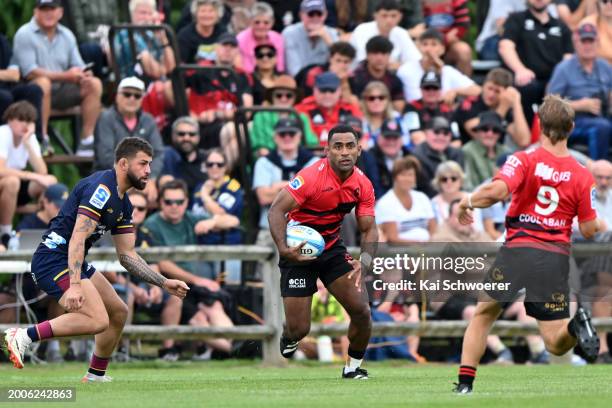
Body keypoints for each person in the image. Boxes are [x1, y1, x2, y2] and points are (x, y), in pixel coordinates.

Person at [2, 137, 189, 382]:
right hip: (52, 260)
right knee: (97, 319)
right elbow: (78, 239)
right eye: (143, 164)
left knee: (118, 312)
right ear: (123, 164)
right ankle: (23, 336)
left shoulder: (123, 203)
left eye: (149, 164)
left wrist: (163, 282)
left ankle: (95, 375)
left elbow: (127, 255)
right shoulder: (101, 190)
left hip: (68, 258)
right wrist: (76, 285)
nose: (148, 171)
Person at [453, 95, 604, 394]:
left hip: (518, 251)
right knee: (555, 343)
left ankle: (465, 385)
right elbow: (588, 230)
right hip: (554, 259)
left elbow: (497, 192)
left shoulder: (524, 159)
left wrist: (467, 201)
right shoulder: (583, 175)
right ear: (571, 127)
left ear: (540, 125)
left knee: (483, 314)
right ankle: (576, 326)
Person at [268, 124, 378, 379]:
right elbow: (275, 210)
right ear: (327, 150)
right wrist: (285, 250)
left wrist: (367, 260)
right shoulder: (311, 178)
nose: (344, 152)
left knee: (362, 312)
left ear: (359, 150)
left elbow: (370, 229)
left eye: (350, 146)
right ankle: (289, 336)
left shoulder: (363, 184)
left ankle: (352, 369)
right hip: (298, 251)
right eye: (337, 146)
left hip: (330, 249)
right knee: (300, 329)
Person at [11, 0, 103, 156]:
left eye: (52, 9)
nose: (48, 13)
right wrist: (66, 76)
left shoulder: (67, 35)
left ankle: (87, 141)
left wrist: (84, 74)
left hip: (62, 92)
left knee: (94, 83)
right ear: (35, 12)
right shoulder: (24, 33)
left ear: (60, 12)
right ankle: (43, 138)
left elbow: (78, 64)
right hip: (30, 95)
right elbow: (29, 72)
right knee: (43, 83)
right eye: (44, 9)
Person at [499, 0, 574, 126]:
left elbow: (568, 59)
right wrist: (520, 69)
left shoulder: (561, 26)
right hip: (525, 79)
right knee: (528, 87)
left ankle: (558, 138)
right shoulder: (516, 19)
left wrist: (557, 80)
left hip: (552, 81)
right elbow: (505, 47)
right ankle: (528, 138)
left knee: (562, 91)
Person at [94, 77, 164, 204]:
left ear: (142, 99)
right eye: (127, 94)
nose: (132, 98)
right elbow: (106, 156)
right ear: (117, 96)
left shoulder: (148, 120)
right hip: (111, 176)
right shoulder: (106, 118)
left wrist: (151, 179)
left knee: (167, 185)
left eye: (137, 96)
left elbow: (158, 153)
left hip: (144, 178)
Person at [547, 22, 612, 160]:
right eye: (584, 41)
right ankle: (598, 173)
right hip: (573, 122)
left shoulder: (605, 67)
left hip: (603, 115)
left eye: (591, 41)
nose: (587, 45)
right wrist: (578, 105)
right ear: (576, 43)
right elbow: (549, 105)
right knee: (602, 127)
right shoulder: (564, 69)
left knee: (603, 124)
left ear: (597, 42)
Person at [252, 118, 319, 239]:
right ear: (275, 137)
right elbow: (263, 197)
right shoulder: (264, 162)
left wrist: (278, 187)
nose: (287, 137)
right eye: (282, 134)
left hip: (308, 228)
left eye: (292, 133)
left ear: (299, 136)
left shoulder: (313, 162)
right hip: (270, 228)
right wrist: (299, 190)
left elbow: (315, 197)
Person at [0, 101, 57, 242]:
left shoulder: (29, 138)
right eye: (20, 120)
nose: (24, 125)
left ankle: (46, 227)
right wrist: (32, 176)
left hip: (18, 186)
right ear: (9, 120)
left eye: (28, 121)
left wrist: (27, 143)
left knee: (51, 181)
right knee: (12, 182)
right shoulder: (3, 133)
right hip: (6, 185)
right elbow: (1, 170)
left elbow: (42, 171)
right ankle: (5, 233)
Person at [397, 28, 480, 104]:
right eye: (425, 44)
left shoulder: (447, 71)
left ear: (442, 49)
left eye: (434, 44)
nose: (428, 49)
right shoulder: (406, 70)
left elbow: (478, 90)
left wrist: (455, 91)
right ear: (418, 47)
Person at [454, 68, 531, 149]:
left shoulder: (506, 108)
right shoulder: (471, 103)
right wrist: (502, 108)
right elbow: (477, 133)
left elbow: (524, 141)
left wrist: (516, 103)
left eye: (497, 91)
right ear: (483, 85)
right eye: (490, 88)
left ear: (505, 93)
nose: (491, 94)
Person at [250, 75, 319, 157]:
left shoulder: (302, 117)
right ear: (272, 97)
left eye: (288, 95)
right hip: (269, 162)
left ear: (294, 98)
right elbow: (261, 148)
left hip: (298, 163)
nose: (283, 99)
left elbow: (311, 143)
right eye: (279, 95)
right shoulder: (260, 116)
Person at [375, 156, 437, 243]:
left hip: (427, 251)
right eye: (403, 174)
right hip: (398, 253)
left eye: (410, 175)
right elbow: (392, 238)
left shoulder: (422, 197)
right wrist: (419, 246)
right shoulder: (385, 203)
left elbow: (433, 230)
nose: (407, 179)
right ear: (395, 177)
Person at [350, 0, 421, 70]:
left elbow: (415, 61)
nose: (389, 20)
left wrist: (399, 66)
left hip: (390, 74)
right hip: (360, 74)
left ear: (400, 17)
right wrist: (399, 65)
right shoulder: (362, 30)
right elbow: (366, 61)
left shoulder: (401, 32)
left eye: (393, 16)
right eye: (384, 16)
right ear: (375, 15)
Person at [295, 71, 362, 145]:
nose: (327, 95)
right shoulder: (302, 109)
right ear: (314, 90)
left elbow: (362, 137)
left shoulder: (350, 109)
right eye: (323, 90)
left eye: (332, 90)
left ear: (340, 90)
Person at [282, 0, 339, 76]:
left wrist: (329, 42)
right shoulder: (290, 33)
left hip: (326, 83)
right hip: (299, 82)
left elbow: (341, 65)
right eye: (311, 14)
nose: (315, 18)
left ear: (325, 15)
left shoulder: (332, 33)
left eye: (319, 14)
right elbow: (294, 71)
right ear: (301, 15)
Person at [349, 36, 405, 113]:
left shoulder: (394, 80)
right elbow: (353, 103)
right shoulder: (355, 78)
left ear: (389, 56)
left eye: (384, 53)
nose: (379, 58)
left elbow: (399, 107)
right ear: (367, 55)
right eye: (375, 53)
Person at [411, 116, 464, 197]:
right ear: (426, 133)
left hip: (456, 198)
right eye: (436, 132)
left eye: (446, 133)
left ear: (450, 136)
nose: (441, 136)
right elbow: (425, 188)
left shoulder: (457, 153)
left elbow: (462, 182)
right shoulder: (417, 156)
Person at [160, 116, 209, 199]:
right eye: (181, 134)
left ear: (198, 137)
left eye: (192, 134)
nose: (186, 138)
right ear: (173, 136)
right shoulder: (166, 156)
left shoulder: (207, 159)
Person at [402, 70, 457, 145]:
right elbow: (416, 137)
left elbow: (456, 140)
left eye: (435, 88)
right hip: (421, 152)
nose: (431, 92)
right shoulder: (411, 108)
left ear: (440, 90)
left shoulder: (448, 109)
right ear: (421, 89)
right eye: (427, 88)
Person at [462, 111, 511, 190]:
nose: (490, 134)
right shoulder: (468, 151)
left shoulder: (506, 152)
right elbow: (468, 186)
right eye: (485, 129)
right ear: (478, 131)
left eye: (495, 130)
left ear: (499, 134)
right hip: (477, 197)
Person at [421, 0, 473, 75]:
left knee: (464, 50)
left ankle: (465, 84)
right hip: (425, 42)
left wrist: (441, 42)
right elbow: (417, 26)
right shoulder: (419, 3)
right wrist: (432, 44)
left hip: (448, 45)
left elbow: (462, 25)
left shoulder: (458, 2)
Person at [237, 2, 285, 74]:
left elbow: (280, 67)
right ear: (250, 21)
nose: (261, 26)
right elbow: (245, 69)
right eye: (257, 22)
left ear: (272, 22)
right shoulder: (241, 39)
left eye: (266, 23)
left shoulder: (278, 38)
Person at [177, 0, 227, 64]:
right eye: (203, 11)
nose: (207, 15)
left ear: (218, 14)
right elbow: (181, 63)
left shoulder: (223, 33)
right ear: (195, 14)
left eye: (211, 11)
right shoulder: (184, 35)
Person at [359, 82, 406, 149]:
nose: (376, 101)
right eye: (371, 98)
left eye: (381, 97)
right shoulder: (361, 122)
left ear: (387, 100)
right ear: (365, 101)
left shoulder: (397, 117)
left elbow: (406, 142)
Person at [580, 0, 612, 64]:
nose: (609, 5)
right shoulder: (588, 24)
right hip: (597, 70)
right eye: (604, 1)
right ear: (598, 3)